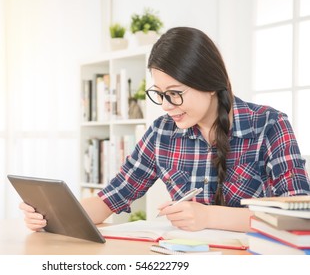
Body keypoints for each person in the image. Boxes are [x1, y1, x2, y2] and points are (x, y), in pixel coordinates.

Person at [20, 27, 310, 233]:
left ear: (209, 84)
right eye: (159, 93)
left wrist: (208, 216)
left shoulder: (269, 124)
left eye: (175, 93)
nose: (166, 105)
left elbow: (298, 218)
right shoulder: (162, 133)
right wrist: (51, 217)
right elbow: (112, 197)